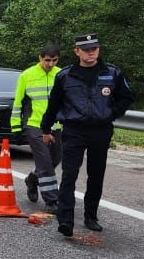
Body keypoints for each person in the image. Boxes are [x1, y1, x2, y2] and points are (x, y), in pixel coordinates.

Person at [39, 34, 135, 237]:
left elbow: (126, 97)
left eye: (94, 49)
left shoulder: (112, 73)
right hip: (74, 130)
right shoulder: (65, 75)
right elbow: (54, 104)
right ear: (77, 51)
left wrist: (111, 113)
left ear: (98, 50)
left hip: (101, 130)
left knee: (96, 174)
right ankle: (65, 220)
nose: (91, 53)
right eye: (86, 49)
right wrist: (45, 128)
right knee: (69, 174)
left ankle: (91, 216)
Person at [10, 42, 63, 212]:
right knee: (45, 162)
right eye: (47, 60)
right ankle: (52, 200)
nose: (50, 64)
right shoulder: (27, 75)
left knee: (55, 159)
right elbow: (17, 103)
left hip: (56, 126)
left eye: (54, 60)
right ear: (40, 58)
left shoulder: (62, 74)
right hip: (34, 125)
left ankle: (32, 180)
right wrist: (16, 128)